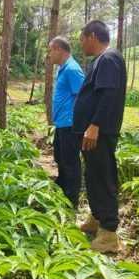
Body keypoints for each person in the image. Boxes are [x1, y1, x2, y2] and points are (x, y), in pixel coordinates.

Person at [73, 20, 127, 253]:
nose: (82, 44)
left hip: (99, 133)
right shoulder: (101, 61)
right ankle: (97, 217)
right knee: (93, 175)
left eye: (83, 39)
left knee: (103, 177)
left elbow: (109, 96)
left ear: (92, 36)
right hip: (92, 133)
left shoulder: (108, 59)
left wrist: (95, 125)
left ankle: (108, 233)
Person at [48, 36, 85, 208]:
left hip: (71, 124)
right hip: (62, 123)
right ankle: (62, 190)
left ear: (59, 50)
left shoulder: (72, 69)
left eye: (50, 50)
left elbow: (83, 96)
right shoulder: (63, 68)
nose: (49, 55)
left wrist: (79, 122)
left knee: (70, 162)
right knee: (60, 158)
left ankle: (71, 200)